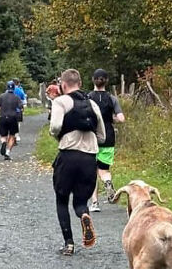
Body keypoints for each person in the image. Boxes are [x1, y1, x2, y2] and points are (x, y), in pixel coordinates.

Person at [49, 68, 106, 255]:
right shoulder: (92, 104)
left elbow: (55, 126)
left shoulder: (60, 101)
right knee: (81, 201)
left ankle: (69, 243)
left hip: (68, 156)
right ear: (80, 84)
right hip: (89, 158)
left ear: (63, 85)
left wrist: (57, 135)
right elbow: (102, 136)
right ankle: (84, 215)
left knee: (61, 199)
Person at [87, 68, 125, 212]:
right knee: (104, 169)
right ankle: (107, 182)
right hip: (108, 137)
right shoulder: (112, 99)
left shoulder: (88, 97)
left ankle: (95, 203)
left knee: (91, 171)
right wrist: (111, 118)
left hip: (91, 137)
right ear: (106, 81)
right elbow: (121, 118)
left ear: (93, 80)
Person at [0, 80, 22, 161]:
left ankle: (3, 142)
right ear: (14, 88)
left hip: (2, 117)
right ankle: (7, 152)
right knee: (12, 136)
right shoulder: (16, 97)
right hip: (13, 118)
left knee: (3, 135)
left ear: (6, 87)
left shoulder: (2, 96)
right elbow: (21, 108)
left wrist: (0, 110)